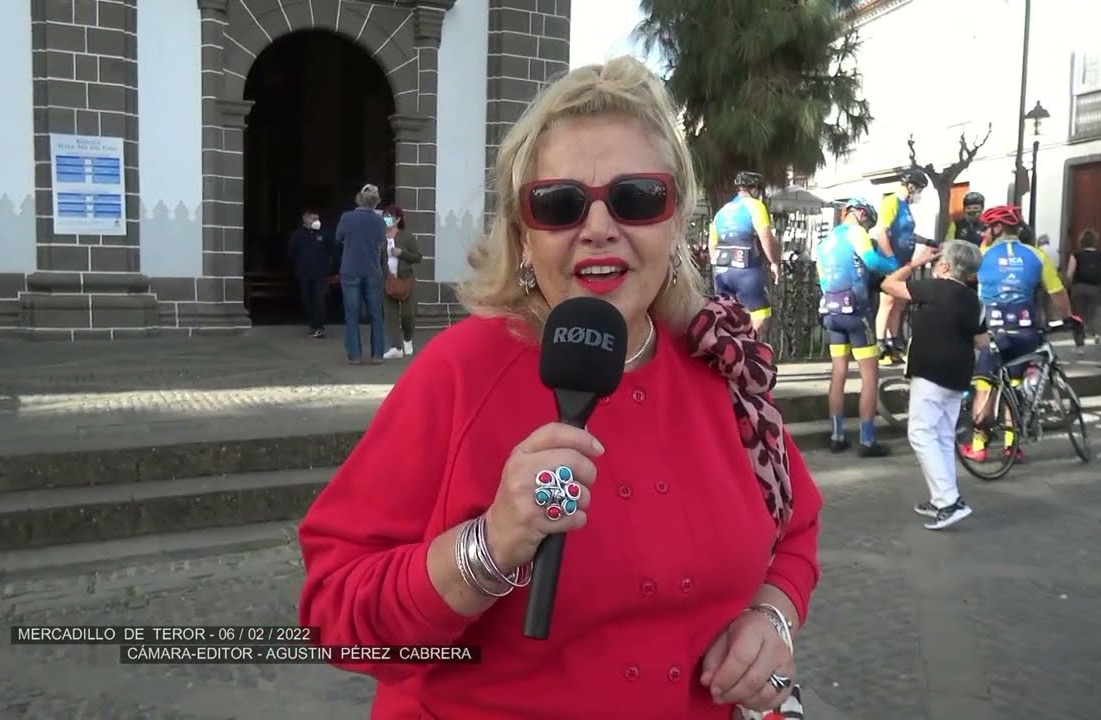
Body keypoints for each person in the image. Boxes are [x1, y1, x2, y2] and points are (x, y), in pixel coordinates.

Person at [297, 56, 823, 720]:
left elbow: (796, 527)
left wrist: (772, 620)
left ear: (677, 221)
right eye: (559, 204)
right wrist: (484, 550)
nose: (599, 226)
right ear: (522, 238)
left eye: (637, 197)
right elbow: (335, 615)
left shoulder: (720, 368)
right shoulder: (460, 371)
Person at [880, 241, 988, 530]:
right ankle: (942, 498)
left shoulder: (933, 288)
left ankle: (950, 501)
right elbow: (982, 341)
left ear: (944, 266)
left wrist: (914, 264)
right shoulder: (976, 301)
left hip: (931, 369)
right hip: (959, 372)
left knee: (920, 433)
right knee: (941, 435)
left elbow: (889, 285)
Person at [962, 205, 1074, 463]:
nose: (984, 232)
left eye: (987, 227)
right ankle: (1012, 446)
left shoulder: (983, 255)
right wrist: (1069, 317)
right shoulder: (1036, 255)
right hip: (1027, 334)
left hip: (994, 333)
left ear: (998, 227)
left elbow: (965, 281)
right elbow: (1056, 292)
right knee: (1014, 384)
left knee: (985, 386)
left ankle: (979, 446)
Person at [816, 198, 898, 457]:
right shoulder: (856, 232)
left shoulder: (825, 241)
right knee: (870, 376)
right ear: (861, 214)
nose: (868, 225)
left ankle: (837, 436)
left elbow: (822, 278)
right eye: (869, 220)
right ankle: (867, 440)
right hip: (857, 312)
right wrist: (894, 266)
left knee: (838, 373)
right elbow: (871, 261)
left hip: (831, 310)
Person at [709, 170, 781, 336]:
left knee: (729, 317)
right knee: (761, 314)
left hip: (721, 271)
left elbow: (712, 245)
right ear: (754, 189)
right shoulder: (755, 206)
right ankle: (750, 351)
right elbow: (765, 236)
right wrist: (774, 263)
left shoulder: (722, 211)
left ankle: (732, 354)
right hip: (746, 269)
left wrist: (721, 267)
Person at [872, 167, 930, 366]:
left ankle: (894, 342)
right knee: (887, 302)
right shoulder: (891, 202)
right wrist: (890, 259)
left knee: (899, 304)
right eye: (920, 189)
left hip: (905, 262)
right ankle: (881, 345)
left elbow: (906, 234)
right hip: (892, 262)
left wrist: (927, 241)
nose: (919, 193)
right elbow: (881, 231)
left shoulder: (906, 206)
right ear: (911, 185)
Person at [336, 183, 388, 364]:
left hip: (350, 269)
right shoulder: (379, 221)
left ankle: (354, 355)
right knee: (376, 314)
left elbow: (339, 237)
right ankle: (378, 354)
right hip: (373, 270)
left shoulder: (347, 217)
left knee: (352, 314)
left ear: (359, 198)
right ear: (375, 202)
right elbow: (382, 243)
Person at [381, 205, 424, 359]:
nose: (386, 219)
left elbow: (418, 257)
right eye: (385, 215)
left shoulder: (407, 236)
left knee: (408, 314)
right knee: (390, 314)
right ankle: (395, 347)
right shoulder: (381, 236)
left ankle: (407, 339)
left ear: (398, 219)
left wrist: (402, 253)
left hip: (406, 280)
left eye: (390, 216)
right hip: (387, 280)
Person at [287, 208, 332, 338]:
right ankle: (312, 324)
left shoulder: (324, 234)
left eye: (317, 218)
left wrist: (327, 266)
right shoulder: (298, 234)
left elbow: (331, 250)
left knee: (319, 299)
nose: (316, 221)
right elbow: (292, 252)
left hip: (320, 274)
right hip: (304, 273)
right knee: (306, 299)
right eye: (313, 218)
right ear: (305, 219)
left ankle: (319, 326)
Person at [1065, 228, 1101, 349]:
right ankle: (1096, 334)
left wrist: (1069, 286)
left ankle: (1080, 344)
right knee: (1095, 312)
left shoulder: (1076, 255)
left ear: (1081, 241)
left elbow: (1069, 273)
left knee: (1077, 315)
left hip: (1078, 287)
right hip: (1095, 288)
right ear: (1095, 241)